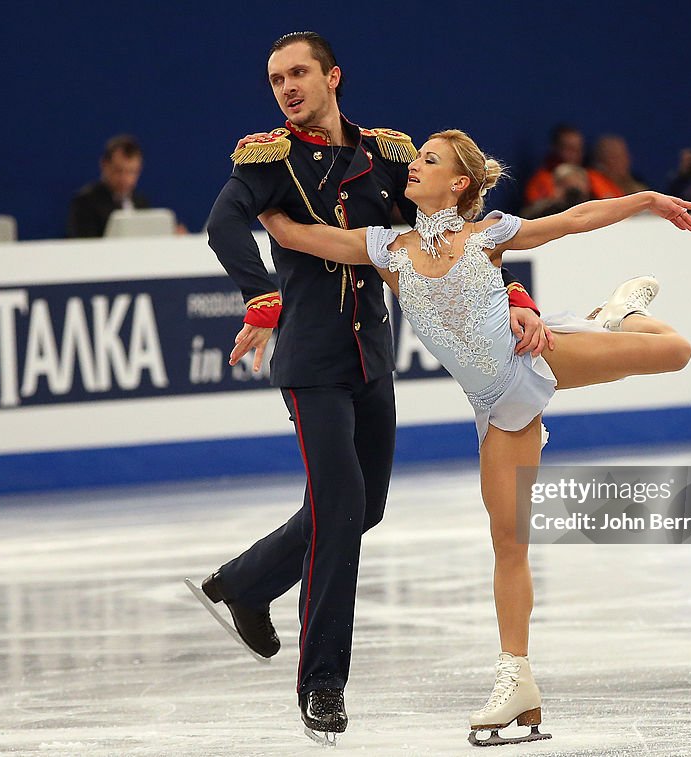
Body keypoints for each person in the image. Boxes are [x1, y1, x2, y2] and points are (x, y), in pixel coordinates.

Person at [258, 128, 691, 746]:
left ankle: (616, 314)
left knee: (676, 351)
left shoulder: (486, 233)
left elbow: (573, 219)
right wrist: (257, 192)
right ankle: (516, 676)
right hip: (493, 406)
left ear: (458, 183)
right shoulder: (388, 248)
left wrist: (643, 202)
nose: (415, 166)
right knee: (508, 539)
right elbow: (300, 236)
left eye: (429, 161)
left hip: (534, 357)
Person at [198, 32, 547, 744]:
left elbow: (452, 236)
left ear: (332, 76)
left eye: (298, 73)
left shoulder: (390, 154)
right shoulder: (270, 160)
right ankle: (322, 683)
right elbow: (221, 225)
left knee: (364, 507)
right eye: (275, 79)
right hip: (310, 361)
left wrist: (512, 292)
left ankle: (244, 581)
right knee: (341, 507)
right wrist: (261, 296)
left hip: (369, 355)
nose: (287, 87)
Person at [67, 134, 150, 238]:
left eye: (132, 172)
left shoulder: (141, 202)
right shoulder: (85, 202)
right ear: (104, 165)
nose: (125, 179)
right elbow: (84, 246)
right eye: (119, 171)